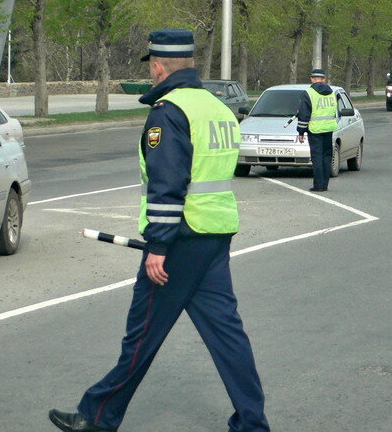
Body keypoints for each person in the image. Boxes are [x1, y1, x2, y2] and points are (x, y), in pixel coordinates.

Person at [48, 29, 270, 432]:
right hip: (215, 232)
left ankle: (97, 417)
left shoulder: (169, 112)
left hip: (180, 239)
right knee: (227, 335)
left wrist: (158, 246)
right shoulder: (216, 107)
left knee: (142, 334)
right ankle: (253, 423)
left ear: (157, 66)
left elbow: (167, 185)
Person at [296, 69, 338, 192]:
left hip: (315, 130)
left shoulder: (308, 93)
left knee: (317, 157)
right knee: (326, 156)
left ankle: (318, 185)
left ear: (312, 79)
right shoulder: (332, 92)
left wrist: (301, 132)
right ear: (324, 79)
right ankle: (325, 184)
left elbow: (304, 114)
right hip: (329, 128)